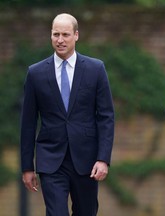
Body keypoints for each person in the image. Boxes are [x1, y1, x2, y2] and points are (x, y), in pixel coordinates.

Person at [20, 13, 114, 216]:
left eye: (65, 34)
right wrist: (27, 166)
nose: (60, 40)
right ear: (50, 36)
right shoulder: (35, 73)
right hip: (51, 159)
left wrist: (103, 158)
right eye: (55, 34)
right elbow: (28, 123)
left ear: (76, 35)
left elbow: (106, 116)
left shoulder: (95, 69)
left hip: (87, 160)